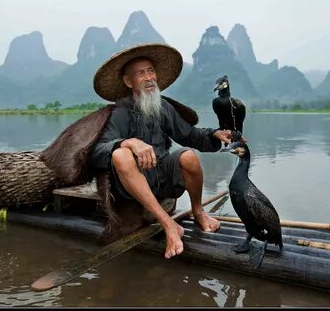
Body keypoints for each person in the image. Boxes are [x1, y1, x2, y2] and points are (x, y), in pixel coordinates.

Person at [90, 43, 235, 259]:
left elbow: (188, 135)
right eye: (141, 73)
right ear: (129, 82)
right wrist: (127, 143)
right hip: (131, 186)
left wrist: (214, 134)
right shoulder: (118, 113)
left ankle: (198, 211)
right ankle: (169, 225)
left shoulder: (163, 107)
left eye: (151, 71)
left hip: (160, 177)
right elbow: (97, 153)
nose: (149, 77)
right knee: (120, 154)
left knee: (188, 156)